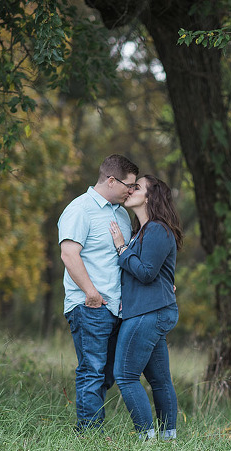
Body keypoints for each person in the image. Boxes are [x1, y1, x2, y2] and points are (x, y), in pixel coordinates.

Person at [58, 154, 139, 432]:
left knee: (107, 374)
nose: (132, 190)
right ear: (111, 180)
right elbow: (69, 253)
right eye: (129, 185)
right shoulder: (80, 209)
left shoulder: (121, 213)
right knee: (92, 370)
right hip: (90, 306)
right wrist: (90, 292)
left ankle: (90, 425)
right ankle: (89, 432)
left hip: (117, 308)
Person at [109, 175, 183, 441]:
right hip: (149, 309)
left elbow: (147, 273)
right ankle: (167, 438)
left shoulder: (156, 229)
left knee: (125, 376)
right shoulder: (143, 230)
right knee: (160, 380)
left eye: (136, 187)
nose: (130, 190)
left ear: (150, 197)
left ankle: (146, 437)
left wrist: (121, 248)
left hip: (148, 312)